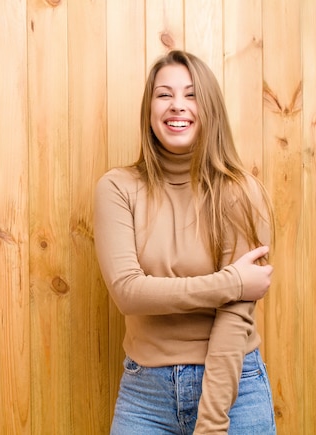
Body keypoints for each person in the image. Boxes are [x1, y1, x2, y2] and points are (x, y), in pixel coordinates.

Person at [93, 50, 277, 434]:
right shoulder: (118, 188)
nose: (177, 105)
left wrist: (211, 424)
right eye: (164, 94)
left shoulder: (242, 191)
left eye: (191, 94)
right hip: (146, 397)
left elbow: (233, 318)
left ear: (209, 107)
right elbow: (128, 292)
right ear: (149, 109)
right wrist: (233, 283)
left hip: (236, 389)